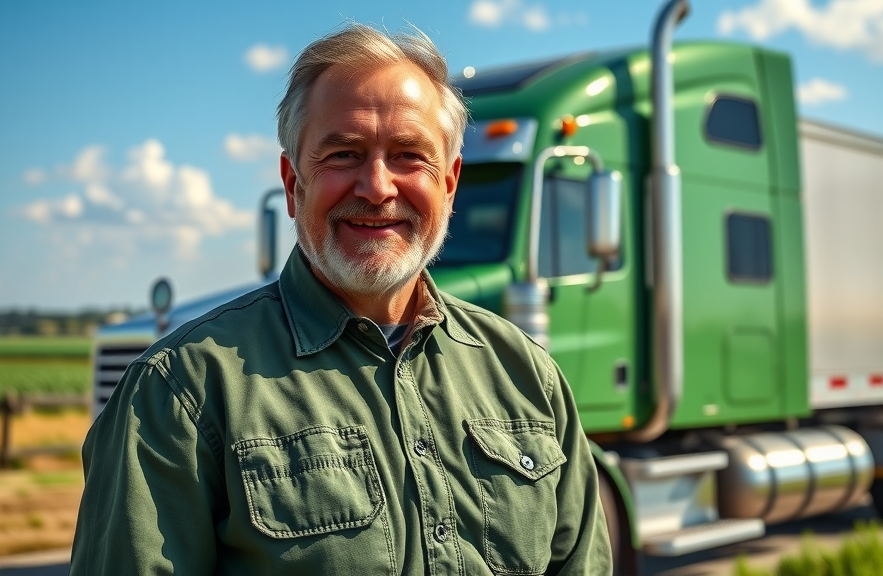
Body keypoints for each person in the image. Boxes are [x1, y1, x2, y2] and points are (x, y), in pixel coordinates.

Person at [70, 23, 610, 575]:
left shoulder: (528, 376)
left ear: (449, 185)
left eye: (408, 155)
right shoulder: (180, 391)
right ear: (292, 183)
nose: (377, 187)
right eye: (343, 155)